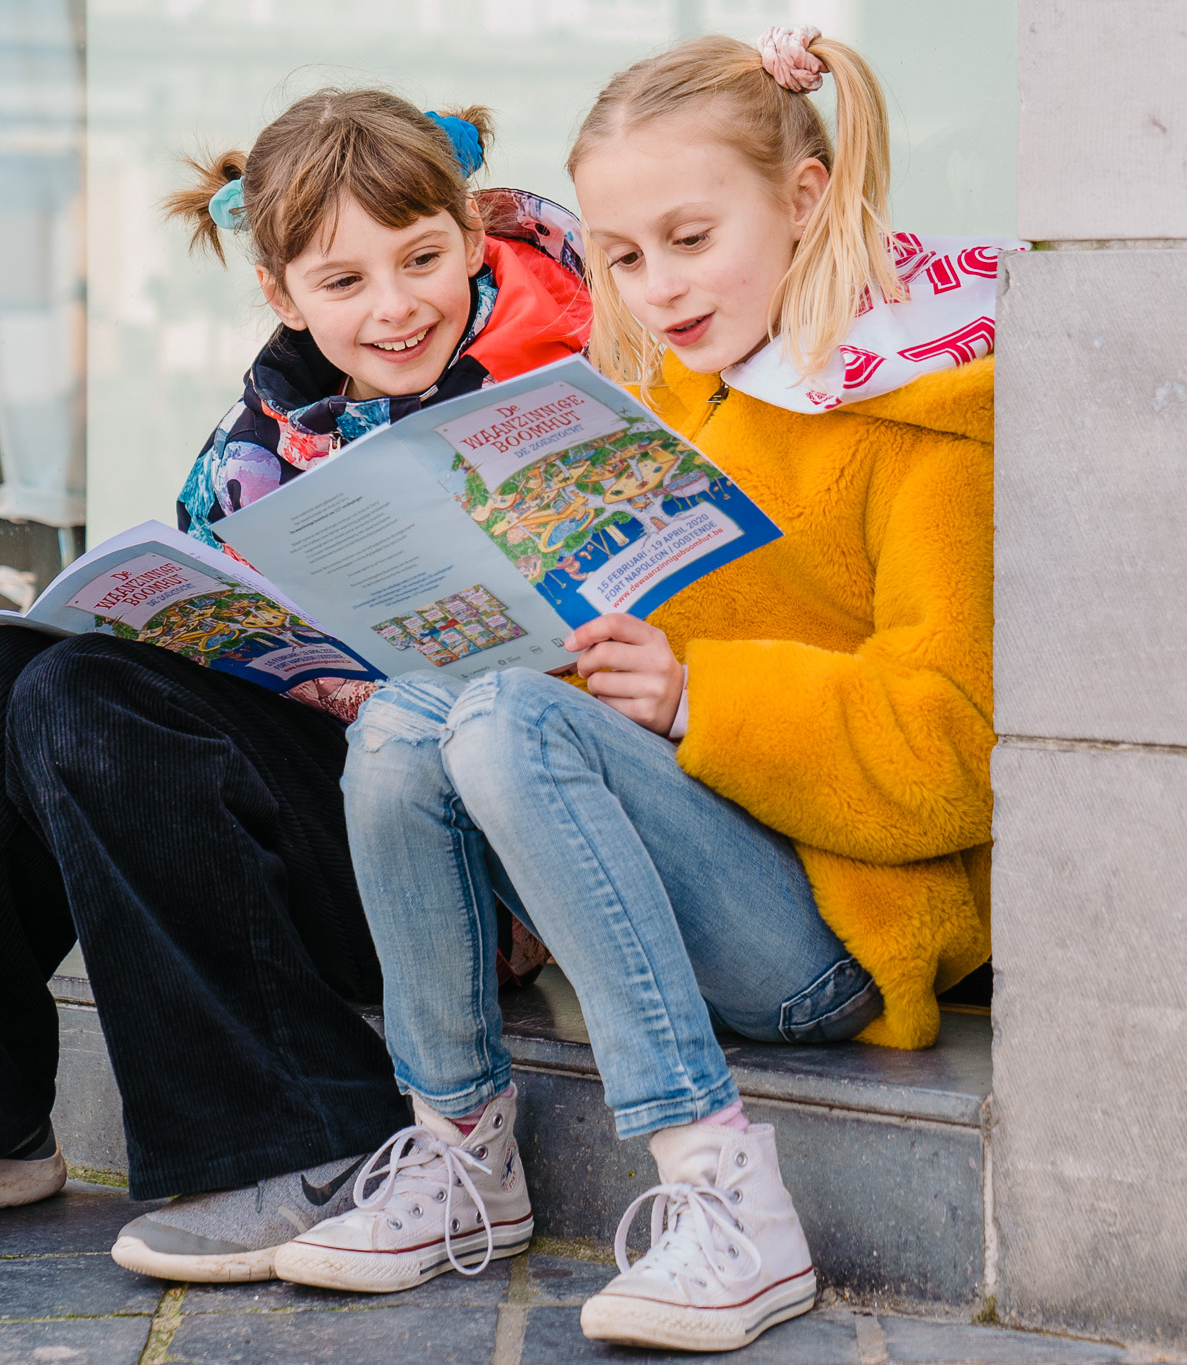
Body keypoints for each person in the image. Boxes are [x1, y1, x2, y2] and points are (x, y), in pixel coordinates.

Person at [0, 87, 592, 1284]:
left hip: (463, 870)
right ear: (282, 293)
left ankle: (312, 1134)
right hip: (313, 815)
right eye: (342, 282)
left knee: (77, 703)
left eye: (421, 259)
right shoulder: (262, 434)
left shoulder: (567, 379)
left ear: (468, 235)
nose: (395, 306)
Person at [276, 27, 1004, 1353]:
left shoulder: (921, 421)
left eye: (688, 237)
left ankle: (724, 1190)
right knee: (403, 720)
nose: (655, 285)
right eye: (620, 255)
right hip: (669, 871)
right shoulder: (657, 403)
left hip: (843, 927)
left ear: (803, 198)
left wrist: (693, 694)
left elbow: (959, 755)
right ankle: (459, 1156)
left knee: (501, 717)